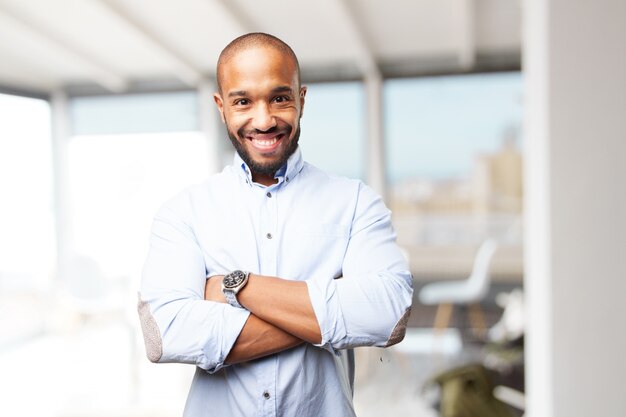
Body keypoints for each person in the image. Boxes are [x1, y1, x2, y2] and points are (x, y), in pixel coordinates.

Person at [138, 32, 413, 417]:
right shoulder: (184, 212)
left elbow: (387, 314)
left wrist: (236, 287)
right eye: (243, 101)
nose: (264, 120)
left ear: (301, 99)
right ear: (221, 107)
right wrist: (325, 313)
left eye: (279, 98)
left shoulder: (355, 203)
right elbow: (163, 334)